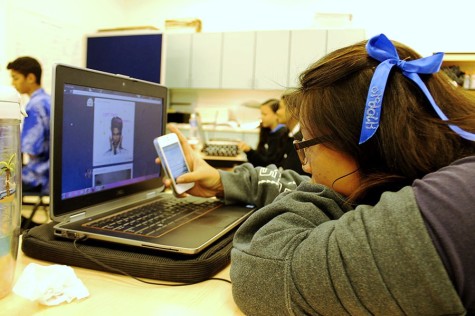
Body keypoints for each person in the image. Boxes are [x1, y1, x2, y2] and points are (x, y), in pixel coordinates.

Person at [157, 33, 475, 314]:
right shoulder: (445, 178)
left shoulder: (457, 200)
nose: (305, 164)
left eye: (307, 144)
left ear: (365, 148)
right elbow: (335, 188)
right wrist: (223, 181)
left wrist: (326, 182)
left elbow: (266, 265)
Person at [6, 57, 50, 194]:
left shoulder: (34, 106)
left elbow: (31, 150)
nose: (13, 83)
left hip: (39, 175)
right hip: (54, 172)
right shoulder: (49, 100)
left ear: (30, 78)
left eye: (16, 78)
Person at [238, 99, 287, 167]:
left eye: (264, 114)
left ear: (276, 114)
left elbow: (268, 163)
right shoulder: (266, 130)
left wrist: (249, 151)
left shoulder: (281, 134)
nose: (261, 117)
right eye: (261, 114)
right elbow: (260, 156)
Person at [275, 94, 306, 174]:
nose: (277, 112)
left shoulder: (302, 139)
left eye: (280, 107)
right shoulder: (284, 135)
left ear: (293, 110)